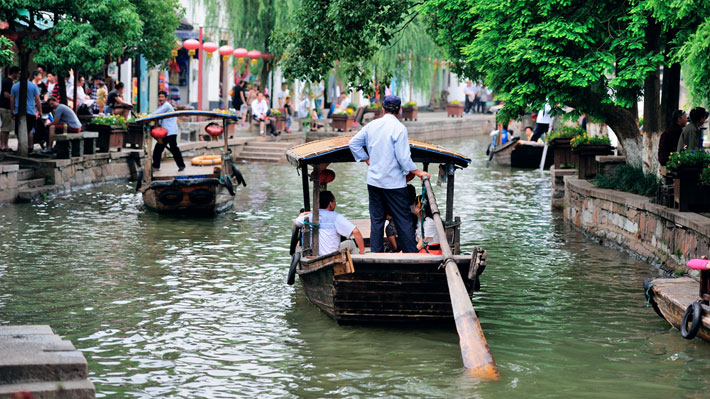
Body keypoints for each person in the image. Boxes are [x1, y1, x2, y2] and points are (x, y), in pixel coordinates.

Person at [348, 95, 430, 253]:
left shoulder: (372, 125)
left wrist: (366, 159)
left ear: (383, 109)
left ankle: (376, 253)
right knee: (403, 218)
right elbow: (403, 158)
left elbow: (353, 143)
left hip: (374, 182)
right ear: (399, 111)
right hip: (394, 183)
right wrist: (418, 172)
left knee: (377, 220)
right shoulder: (399, 128)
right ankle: (411, 254)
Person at [293, 190, 365, 256]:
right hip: (331, 255)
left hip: (313, 255)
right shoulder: (336, 217)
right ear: (331, 203)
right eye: (334, 201)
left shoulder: (310, 216)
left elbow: (295, 222)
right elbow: (356, 231)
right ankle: (361, 258)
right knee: (350, 243)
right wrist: (362, 252)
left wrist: (304, 214)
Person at [151, 90, 185, 172]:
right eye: (159, 97)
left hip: (171, 131)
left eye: (162, 97)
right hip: (164, 132)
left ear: (166, 98)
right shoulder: (162, 106)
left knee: (174, 148)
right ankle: (156, 166)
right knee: (158, 149)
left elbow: (156, 114)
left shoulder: (166, 106)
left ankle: (181, 165)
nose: (160, 98)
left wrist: (145, 117)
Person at [10, 71, 42, 153]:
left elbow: (12, 100)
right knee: (30, 130)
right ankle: (30, 147)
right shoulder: (33, 86)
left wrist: (12, 111)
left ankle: (21, 146)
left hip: (18, 111)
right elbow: (38, 100)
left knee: (18, 130)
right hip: (30, 110)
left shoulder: (15, 86)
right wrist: (40, 111)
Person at [0, 66, 20, 151]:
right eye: (18, 73)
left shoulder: (10, 82)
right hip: (5, 107)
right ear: (14, 73)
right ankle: (2, 145)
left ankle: (6, 145)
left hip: (6, 107)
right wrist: (14, 99)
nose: (18, 75)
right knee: (5, 127)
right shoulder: (7, 82)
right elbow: (6, 94)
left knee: (7, 128)